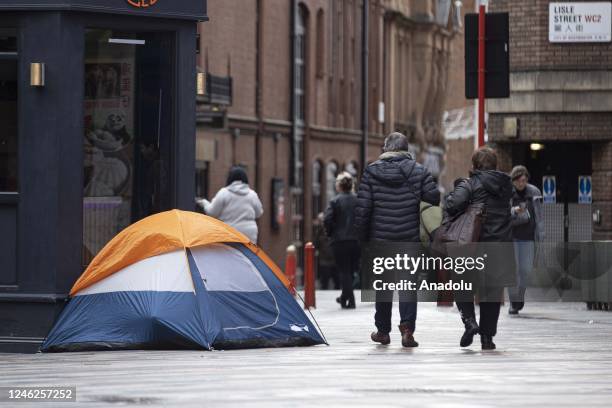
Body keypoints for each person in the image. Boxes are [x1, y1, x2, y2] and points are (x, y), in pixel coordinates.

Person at [354, 132, 440, 347]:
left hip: (380, 240)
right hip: (408, 239)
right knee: (407, 285)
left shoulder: (371, 171)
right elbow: (433, 197)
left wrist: (362, 239)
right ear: (406, 149)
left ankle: (383, 331)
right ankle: (407, 330)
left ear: (386, 148)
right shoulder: (419, 170)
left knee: (382, 286)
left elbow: (363, 209)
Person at [445, 147, 514, 350]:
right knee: (492, 293)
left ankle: (470, 322)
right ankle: (487, 338)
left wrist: (459, 187)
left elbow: (451, 204)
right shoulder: (505, 185)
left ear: (474, 165)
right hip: (500, 246)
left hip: (473, 246)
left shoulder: (471, 184)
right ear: (495, 165)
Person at [509, 165, 544, 315]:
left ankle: (520, 296)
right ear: (514, 181)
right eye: (518, 181)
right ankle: (513, 303)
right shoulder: (508, 193)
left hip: (528, 237)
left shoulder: (534, 192)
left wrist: (541, 235)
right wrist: (514, 211)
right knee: (513, 270)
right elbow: (503, 214)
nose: (521, 184)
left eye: (524, 180)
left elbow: (539, 217)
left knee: (526, 270)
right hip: (512, 237)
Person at [196, 166, 263, 244]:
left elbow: (212, 212)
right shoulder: (252, 194)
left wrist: (204, 203)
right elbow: (259, 213)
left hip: (230, 232)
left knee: (231, 255)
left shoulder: (224, 193)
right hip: (249, 232)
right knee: (247, 255)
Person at [324, 172, 359, 309]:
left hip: (339, 241)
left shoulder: (335, 201)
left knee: (344, 271)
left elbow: (327, 219)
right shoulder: (358, 200)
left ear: (339, 186)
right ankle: (344, 297)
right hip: (356, 241)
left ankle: (351, 301)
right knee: (350, 271)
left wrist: (330, 232)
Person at [313, 212, 339, 290]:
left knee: (337, 282)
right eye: (320, 221)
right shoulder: (319, 231)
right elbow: (316, 244)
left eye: (322, 220)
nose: (321, 222)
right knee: (324, 282)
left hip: (335, 260)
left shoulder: (335, 229)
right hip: (324, 260)